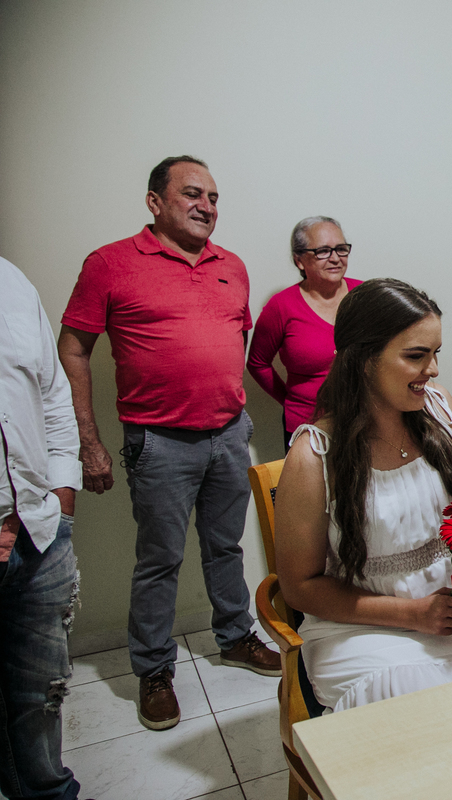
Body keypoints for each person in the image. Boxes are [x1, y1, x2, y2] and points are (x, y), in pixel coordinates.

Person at [58, 155, 280, 732]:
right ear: (155, 202)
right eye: (192, 194)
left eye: (213, 197)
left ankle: (235, 636)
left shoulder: (231, 265)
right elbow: (73, 349)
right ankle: (154, 670)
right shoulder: (109, 263)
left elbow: (231, 340)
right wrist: (88, 442)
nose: (206, 206)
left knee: (225, 547)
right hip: (158, 442)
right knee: (159, 560)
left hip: (228, 435)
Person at [274, 278, 452, 713]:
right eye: (416, 356)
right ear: (364, 360)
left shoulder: (440, 408)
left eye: (436, 353)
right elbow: (299, 587)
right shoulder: (313, 456)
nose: (433, 370)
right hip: (359, 629)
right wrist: (412, 614)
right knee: (425, 706)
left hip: (451, 609)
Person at [0, 257, 84, 799]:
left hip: (38, 528)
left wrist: (62, 492)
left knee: (40, 690)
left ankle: (49, 792)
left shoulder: (10, 281)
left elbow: (52, 394)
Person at [247, 216, 362, 450]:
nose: (335, 258)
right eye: (323, 251)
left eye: (341, 249)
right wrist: (291, 400)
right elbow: (258, 363)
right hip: (306, 429)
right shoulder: (281, 307)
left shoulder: (365, 295)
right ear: (299, 260)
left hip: (361, 422)